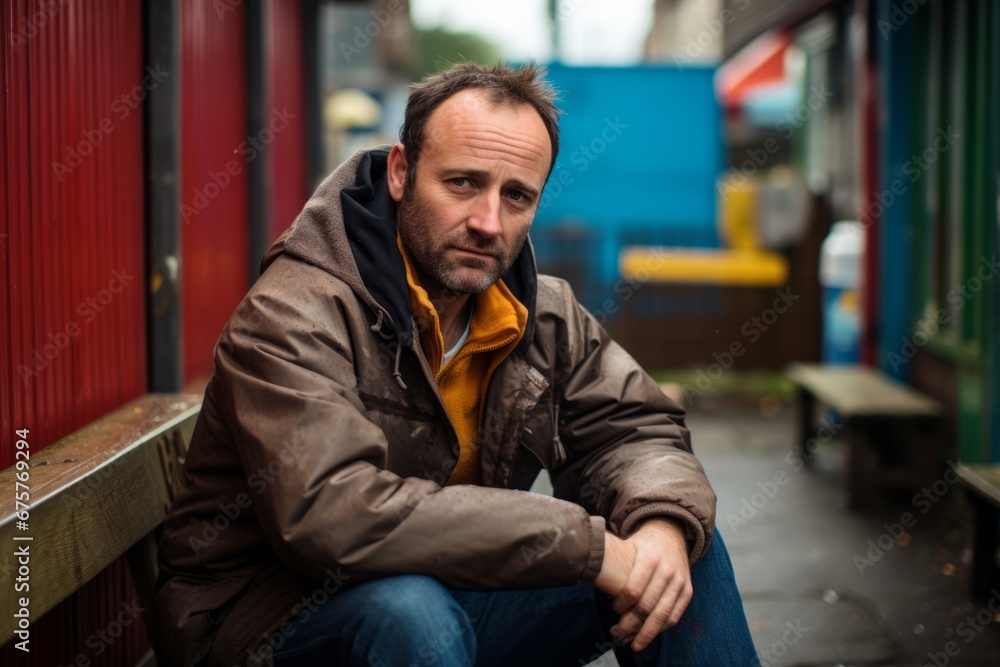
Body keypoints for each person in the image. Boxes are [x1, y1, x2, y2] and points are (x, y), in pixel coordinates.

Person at [155, 62, 758, 667]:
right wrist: (586, 546)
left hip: (447, 600)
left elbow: (636, 431)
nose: (488, 222)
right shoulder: (295, 313)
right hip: (270, 621)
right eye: (463, 183)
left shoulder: (542, 315)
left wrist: (657, 525)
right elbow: (331, 514)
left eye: (516, 196)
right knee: (409, 608)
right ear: (400, 172)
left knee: (675, 559)